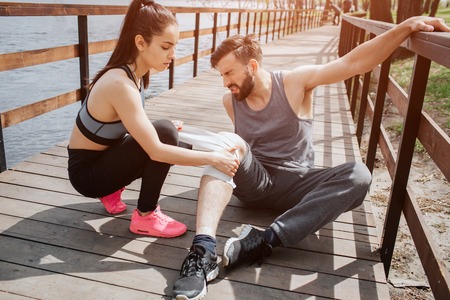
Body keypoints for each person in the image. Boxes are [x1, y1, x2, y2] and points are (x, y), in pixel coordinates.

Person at [172, 16, 450, 299]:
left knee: (359, 174)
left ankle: (263, 241)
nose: (224, 82)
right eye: (221, 75)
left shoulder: (294, 82)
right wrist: (187, 135)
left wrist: (405, 27)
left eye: (229, 73)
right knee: (227, 142)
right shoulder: (230, 100)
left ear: (252, 66)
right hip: (255, 185)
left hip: (298, 185)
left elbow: (353, 63)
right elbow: (241, 149)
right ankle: (202, 250)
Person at [67, 0, 239, 239]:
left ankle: (112, 190)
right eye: (166, 46)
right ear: (140, 42)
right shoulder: (120, 84)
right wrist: (214, 158)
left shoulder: (134, 74)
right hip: (87, 175)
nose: (173, 55)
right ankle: (145, 215)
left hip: (101, 159)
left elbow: (131, 124)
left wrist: (163, 131)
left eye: (174, 46)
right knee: (166, 135)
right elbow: (156, 151)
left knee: (174, 139)